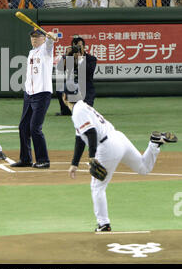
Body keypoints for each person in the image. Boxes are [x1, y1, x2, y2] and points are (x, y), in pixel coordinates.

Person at [64, 87, 178, 231]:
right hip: (119, 138)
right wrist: (74, 163)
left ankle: (103, 224)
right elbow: (80, 138)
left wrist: (92, 157)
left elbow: (91, 133)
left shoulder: (78, 111)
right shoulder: (84, 107)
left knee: (97, 187)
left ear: (64, 98)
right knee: (144, 168)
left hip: (107, 147)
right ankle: (154, 143)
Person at [10, 29, 57, 169]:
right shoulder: (31, 52)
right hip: (29, 94)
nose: (34, 39)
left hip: (42, 93)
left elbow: (50, 42)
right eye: (32, 37)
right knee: (23, 127)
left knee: (35, 128)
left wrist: (51, 37)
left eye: (37, 37)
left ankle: (44, 160)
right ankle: (25, 159)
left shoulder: (46, 50)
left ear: (43, 38)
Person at [56, 35, 97, 116]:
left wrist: (80, 59)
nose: (77, 48)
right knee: (60, 88)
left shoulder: (91, 59)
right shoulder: (69, 57)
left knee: (85, 111)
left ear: (84, 47)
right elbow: (60, 69)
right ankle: (65, 111)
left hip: (85, 88)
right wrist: (67, 56)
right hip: (71, 87)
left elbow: (89, 71)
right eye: (75, 46)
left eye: (79, 46)